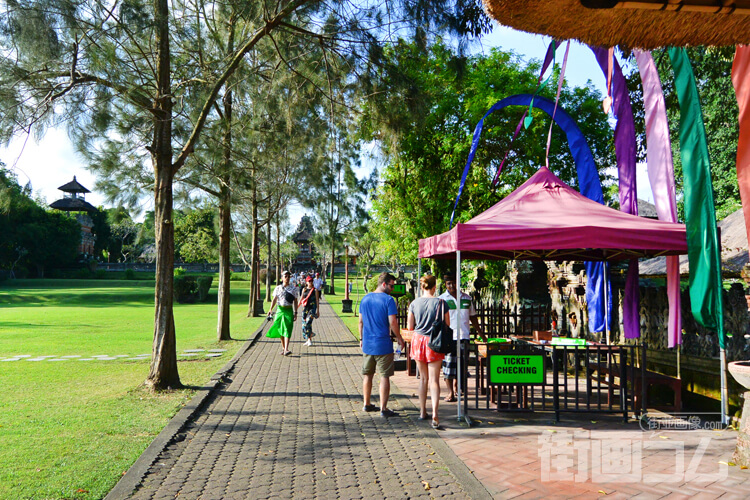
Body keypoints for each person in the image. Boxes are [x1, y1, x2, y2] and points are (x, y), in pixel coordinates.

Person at [359, 272, 405, 418]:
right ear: (384, 284)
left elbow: (360, 321)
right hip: (383, 344)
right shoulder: (388, 300)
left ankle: (366, 403)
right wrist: (399, 338)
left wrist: (361, 338)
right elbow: (392, 322)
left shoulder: (365, 299)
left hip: (368, 344)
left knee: (368, 374)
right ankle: (383, 408)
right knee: (384, 376)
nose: (392, 288)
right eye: (391, 286)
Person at [407, 274, 451, 429]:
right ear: (434, 287)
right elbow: (447, 324)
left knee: (423, 379)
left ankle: (422, 412)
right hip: (435, 342)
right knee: (434, 380)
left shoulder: (414, 303)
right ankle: (435, 414)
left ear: (422, 286)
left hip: (418, 340)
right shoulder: (441, 303)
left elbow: (410, 326)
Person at [439, 274, 487, 403]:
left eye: (454, 283)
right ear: (445, 285)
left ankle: (458, 387)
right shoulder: (442, 299)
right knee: (448, 366)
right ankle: (450, 393)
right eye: (449, 283)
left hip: (464, 336)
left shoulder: (467, 298)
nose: (452, 286)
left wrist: (481, 333)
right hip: (449, 338)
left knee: (462, 366)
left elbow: (473, 317)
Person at [266, 270, 299, 356]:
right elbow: (274, 299)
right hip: (280, 310)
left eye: (289, 276)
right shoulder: (278, 288)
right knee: (280, 329)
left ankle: (287, 349)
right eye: (285, 276)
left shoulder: (293, 289)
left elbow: (295, 301)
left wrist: (296, 312)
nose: (287, 278)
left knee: (287, 329)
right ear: (282, 278)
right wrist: (270, 309)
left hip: (288, 310)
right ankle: (284, 348)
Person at [300, 276, 320, 346]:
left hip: (312, 308)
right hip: (305, 308)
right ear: (306, 282)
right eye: (309, 281)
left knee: (308, 321)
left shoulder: (315, 290)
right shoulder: (304, 289)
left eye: (311, 281)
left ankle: (310, 336)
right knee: (304, 324)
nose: (310, 282)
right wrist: (296, 308)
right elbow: (301, 298)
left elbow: (317, 300)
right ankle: (309, 338)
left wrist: (318, 311)